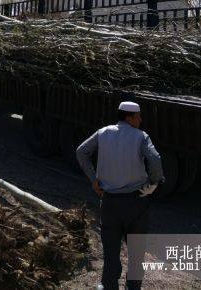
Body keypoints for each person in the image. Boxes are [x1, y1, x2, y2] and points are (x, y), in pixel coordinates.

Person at [76, 101, 164, 290]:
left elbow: (81, 152)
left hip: (109, 204)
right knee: (136, 253)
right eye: (138, 116)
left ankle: (109, 286)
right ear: (129, 117)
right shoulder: (141, 136)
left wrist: (93, 179)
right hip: (137, 203)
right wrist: (153, 183)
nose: (141, 120)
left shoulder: (103, 133)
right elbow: (155, 160)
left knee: (110, 251)